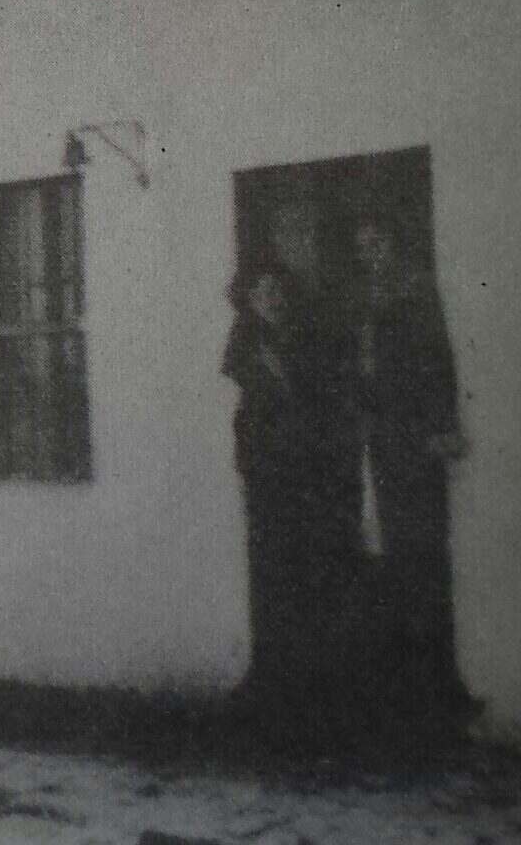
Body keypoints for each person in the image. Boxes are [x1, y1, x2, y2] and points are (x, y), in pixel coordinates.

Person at [345, 217, 476, 719]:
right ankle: (400, 686)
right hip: (381, 441)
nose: (369, 254)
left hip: (416, 440)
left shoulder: (416, 289)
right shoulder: (363, 298)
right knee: (393, 553)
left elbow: (438, 360)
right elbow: (361, 369)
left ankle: (436, 682)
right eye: (362, 247)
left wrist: (442, 427)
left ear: (394, 242)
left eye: (376, 242)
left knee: (425, 552)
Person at [221, 261, 359, 731]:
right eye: (263, 293)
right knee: (268, 570)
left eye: (277, 291)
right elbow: (248, 390)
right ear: (249, 300)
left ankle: (308, 682)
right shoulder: (245, 340)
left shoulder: (304, 338)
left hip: (305, 471)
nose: (272, 300)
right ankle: (270, 676)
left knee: (306, 570)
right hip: (265, 472)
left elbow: (317, 396)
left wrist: (292, 379)